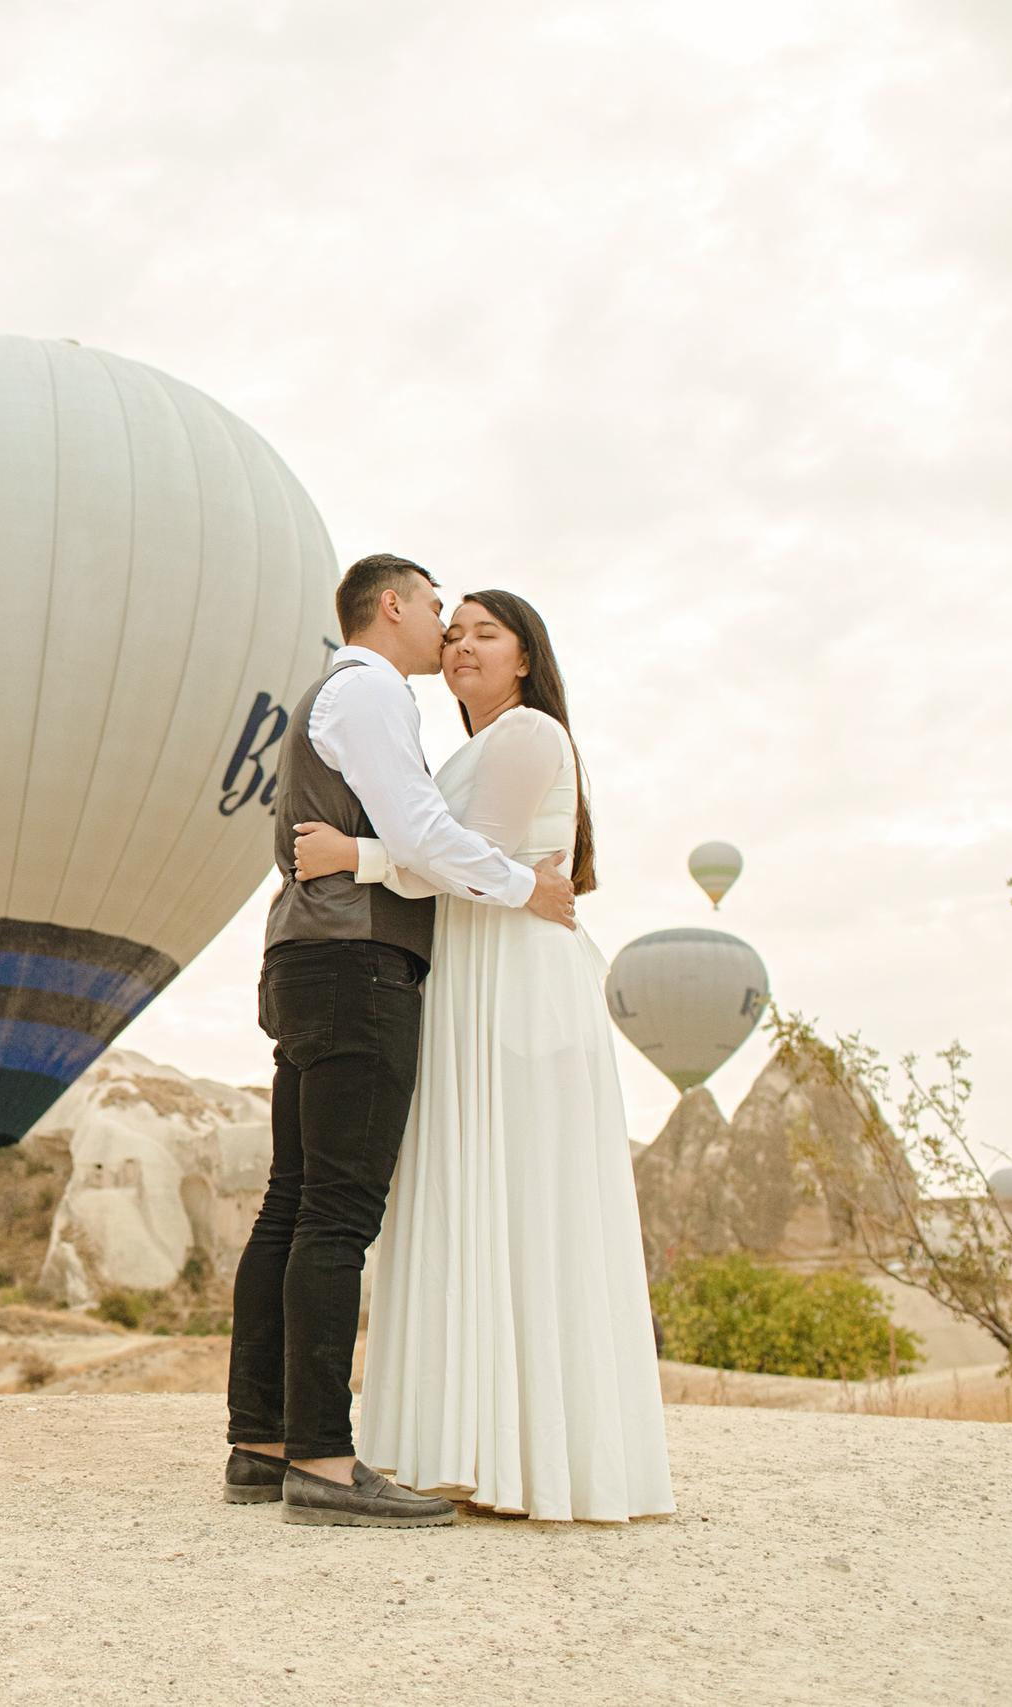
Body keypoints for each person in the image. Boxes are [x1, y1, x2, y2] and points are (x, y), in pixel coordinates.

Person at [289, 588, 673, 1522]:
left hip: (514, 986)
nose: (461, 645)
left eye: (485, 633)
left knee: (519, 1199)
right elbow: (459, 856)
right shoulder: (473, 746)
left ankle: (528, 1460)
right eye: (452, 631)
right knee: (481, 1201)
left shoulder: (528, 733)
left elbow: (460, 859)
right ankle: (482, 1447)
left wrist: (353, 855)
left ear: (526, 656)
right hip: (472, 974)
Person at [223, 553, 578, 1529]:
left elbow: (376, 839)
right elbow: (421, 835)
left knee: (292, 1203)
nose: (444, 628)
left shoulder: (335, 696)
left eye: (472, 626)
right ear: (392, 605)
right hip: (357, 965)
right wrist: (527, 886)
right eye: (436, 609)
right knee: (336, 1215)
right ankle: (322, 1460)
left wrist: (356, 855)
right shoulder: (374, 694)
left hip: (308, 959)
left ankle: (260, 1440)